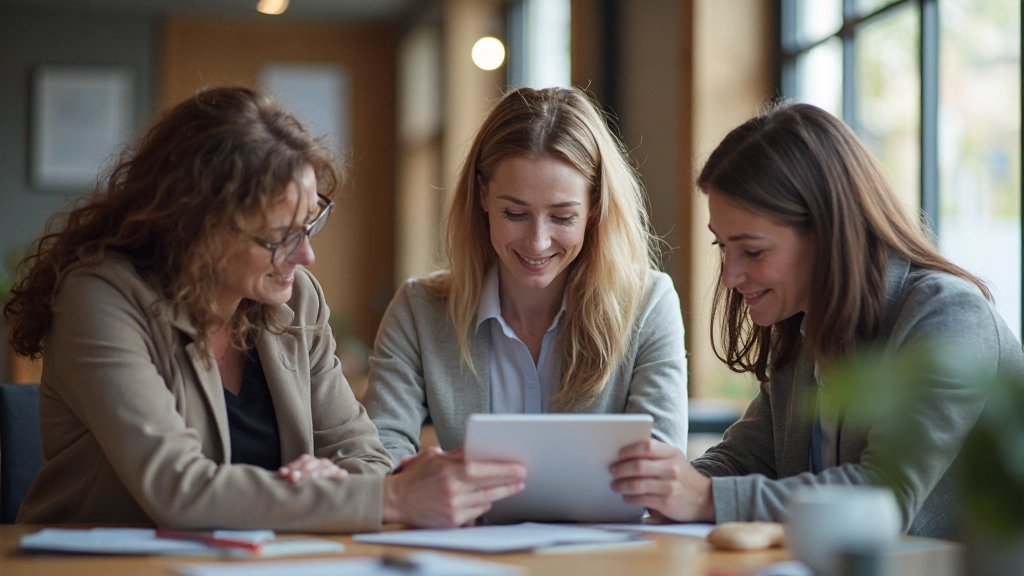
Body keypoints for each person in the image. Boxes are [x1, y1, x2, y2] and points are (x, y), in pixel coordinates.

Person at [4, 86, 525, 531]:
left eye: (310, 224)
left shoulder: (296, 298)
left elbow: (361, 452)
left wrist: (336, 487)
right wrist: (390, 497)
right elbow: (177, 489)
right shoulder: (100, 299)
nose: (306, 255)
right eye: (281, 237)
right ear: (199, 228)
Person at [608, 101, 1024, 539]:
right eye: (722, 247)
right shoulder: (805, 328)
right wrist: (659, 487)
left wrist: (705, 498)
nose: (730, 276)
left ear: (828, 232)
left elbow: (882, 499)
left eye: (752, 250)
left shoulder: (948, 318)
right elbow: (746, 459)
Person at [362, 86, 688, 469]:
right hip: (466, 528)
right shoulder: (419, 311)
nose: (537, 242)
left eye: (563, 217)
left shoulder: (648, 304)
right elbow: (378, 451)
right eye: (514, 214)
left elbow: (662, 468)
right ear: (483, 195)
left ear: (595, 206)